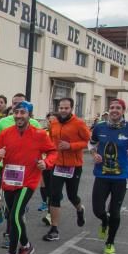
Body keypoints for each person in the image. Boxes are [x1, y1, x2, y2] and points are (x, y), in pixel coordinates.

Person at [0, 101, 56, 254]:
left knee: (14, 217)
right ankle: (26, 245)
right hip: (9, 181)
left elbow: (52, 151)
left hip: (28, 181)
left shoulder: (39, 134)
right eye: (16, 112)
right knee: (13, 216)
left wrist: (46, 162)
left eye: (22, 112)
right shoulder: (5, 133)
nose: (19, 116)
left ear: (29, 115)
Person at [89, 99, 128, 254]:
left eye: (118, 108)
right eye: (112, 107)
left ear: (123, 111)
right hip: (101, 175)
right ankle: (104, 221)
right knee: (97, 210)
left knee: (115, 212)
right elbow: (91, 144)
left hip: (120, 178)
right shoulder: (99, 127)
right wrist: (94, 154)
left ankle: (110, 242)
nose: (114, 110)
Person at [43, 98, 90, 241]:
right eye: (61, 108)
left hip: (73, 165)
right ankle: (54, 229)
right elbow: (51, 140)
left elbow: (88, 141)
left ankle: (80, 209)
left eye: (66, 108)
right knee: (54, 195)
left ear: (71, 108)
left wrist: (71, 146)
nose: (63, 110)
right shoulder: (54, 123)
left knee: (71, 196)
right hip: (57, 165)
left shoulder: (79, 123)